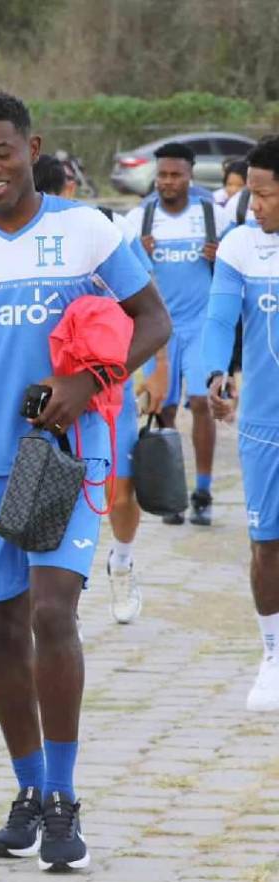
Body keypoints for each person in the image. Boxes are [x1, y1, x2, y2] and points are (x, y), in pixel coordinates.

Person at [0, 93, 169, 872]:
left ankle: (63, 800)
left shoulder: (87, 230)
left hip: (67, 454)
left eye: (1, 152)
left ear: (33, 147)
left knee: (53, 613)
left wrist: (89, 377)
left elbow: (154, 321)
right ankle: (26, 793)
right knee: (1, 627)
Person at [32, 157, 170, 623]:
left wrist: (158, 369)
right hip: (53, 387)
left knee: (120, 489)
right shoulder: (17, 247)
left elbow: (150, 310)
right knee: (58, 487)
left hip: (110, 383)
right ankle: (64, 601)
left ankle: (123, 564)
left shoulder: (108, 231)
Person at [205, 136, 279, 711]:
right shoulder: (241, 247)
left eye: (262, 194)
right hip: (264, 427)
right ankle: (274, 656)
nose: (252, 205)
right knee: (267, 545)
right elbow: (220, 315)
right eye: (250, 193)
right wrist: (215, 372)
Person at [123, 143, 234, 526]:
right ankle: (172, 491)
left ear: (190, 175)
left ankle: (202, 490)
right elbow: (125, 271)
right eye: (163, 175)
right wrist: (140, 251)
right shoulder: (140, 218)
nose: (168, 182)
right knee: (164, 408)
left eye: (176, 175)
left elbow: (235, 269)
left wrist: (219, 258)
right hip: (160, 330)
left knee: (202, 403)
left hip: (201, 324)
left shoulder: (212, 216)